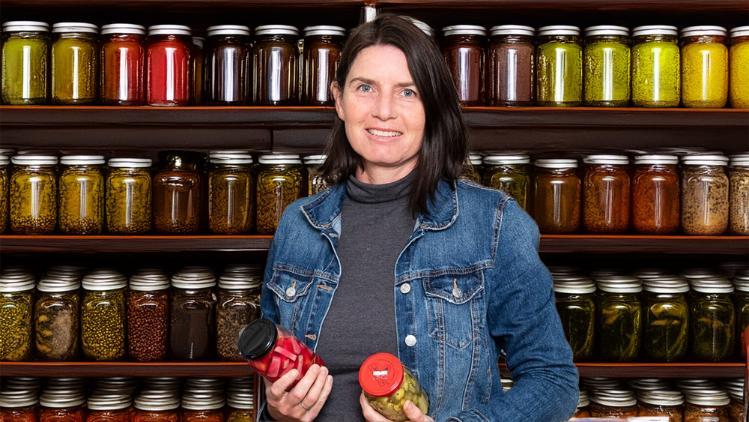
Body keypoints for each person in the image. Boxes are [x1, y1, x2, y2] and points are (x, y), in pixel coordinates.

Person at [258, 14, 578, 422]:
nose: (384, 111)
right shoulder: (297, 226)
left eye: (407, 92)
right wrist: (277, 412)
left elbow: (553, 381)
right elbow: (274, 378)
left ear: (432, 105)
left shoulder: (492, 224)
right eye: (365, 88)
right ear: (339, 99)